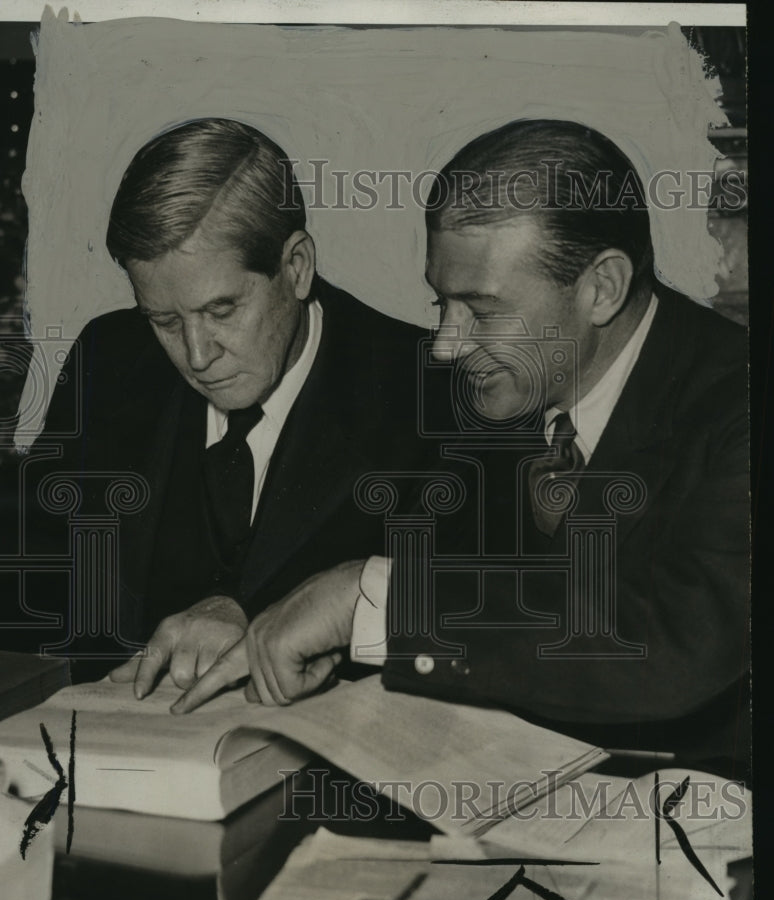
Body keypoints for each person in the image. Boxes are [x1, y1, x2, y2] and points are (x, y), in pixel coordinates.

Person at [122, 119, 749, 773]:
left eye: (480, 310)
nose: (447, 344)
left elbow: (677, 642)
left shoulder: (738, 402)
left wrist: (370, 599)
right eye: (442, 304)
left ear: (602, 288)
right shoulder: (488, 399)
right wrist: (245, 617)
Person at [17, 118, 435, 684]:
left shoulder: (428, 389)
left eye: (221, 311)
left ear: (296, 267)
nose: (196, 354)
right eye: (164, 320)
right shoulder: (110, 358)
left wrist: (251, 610)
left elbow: (474, 616)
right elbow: (26, 566)